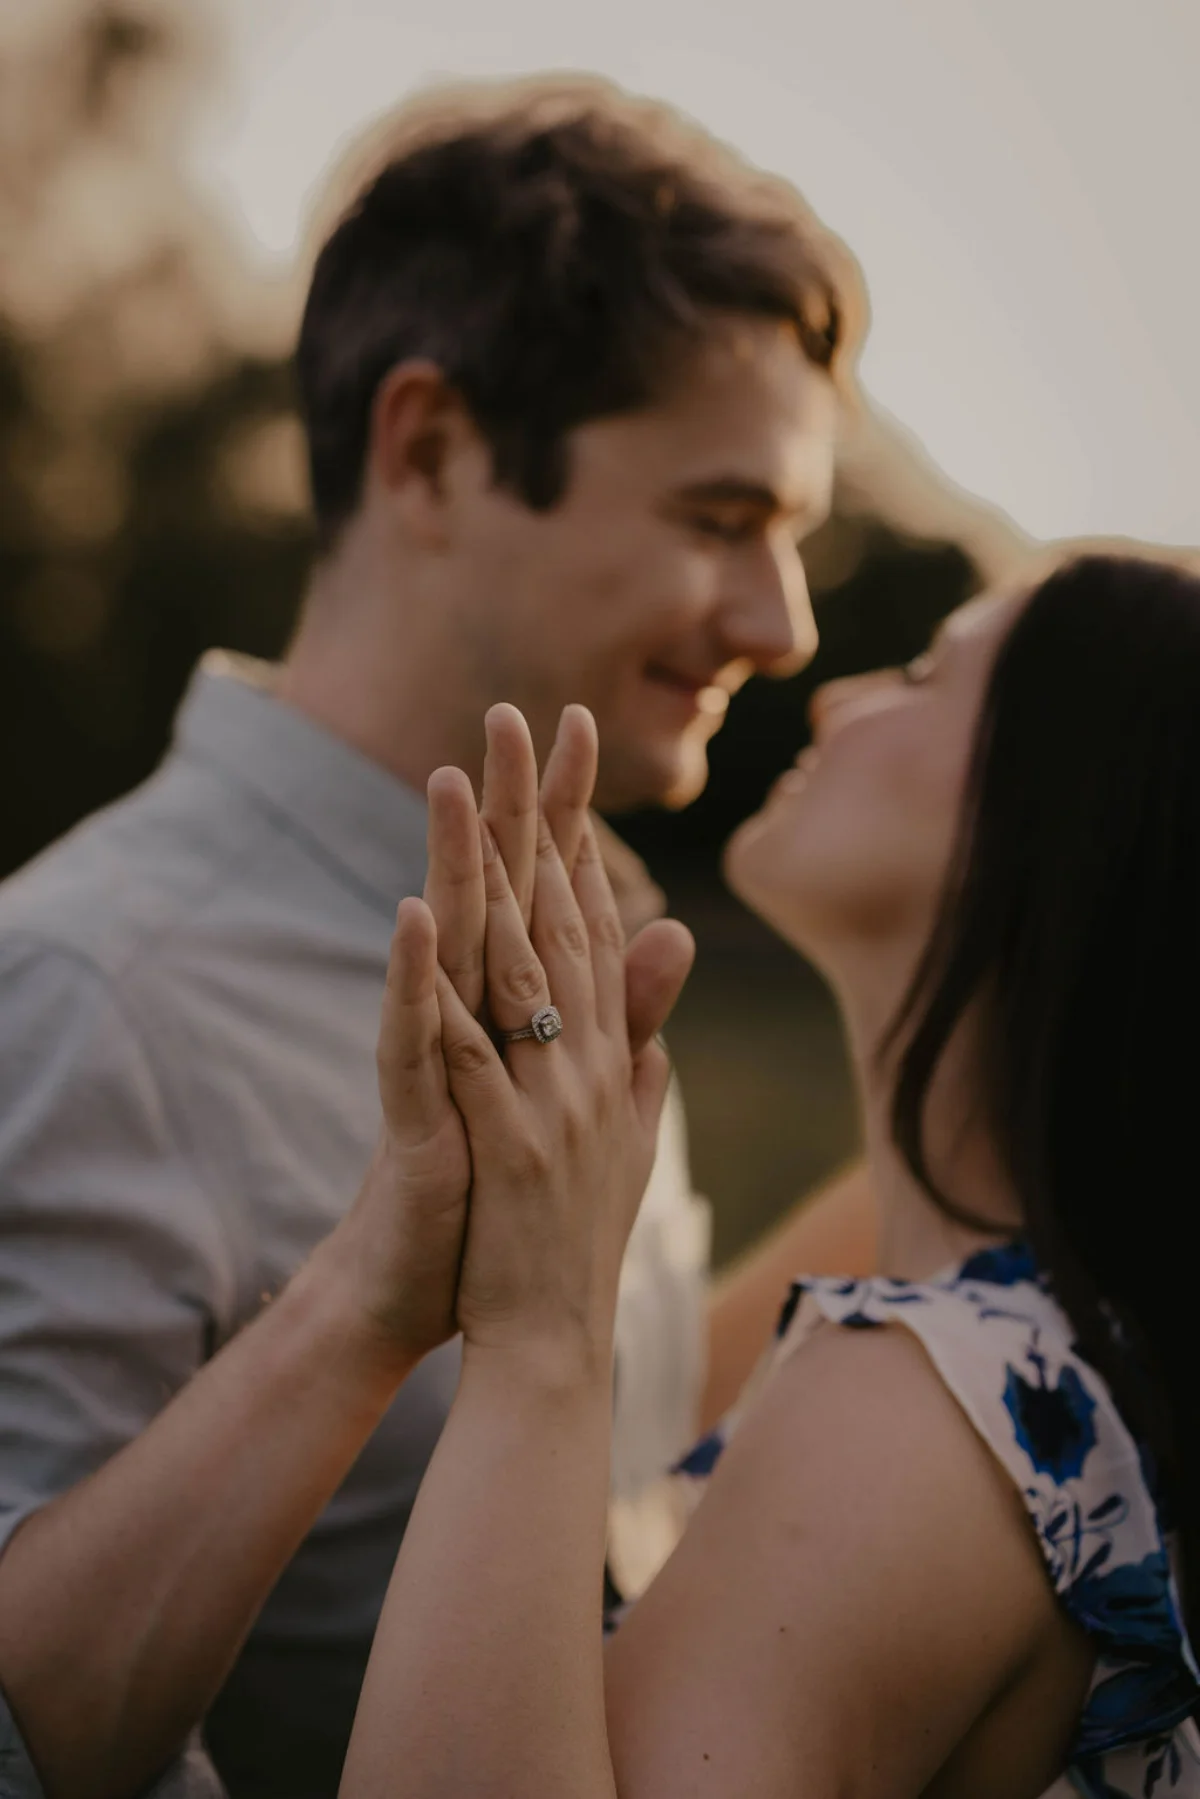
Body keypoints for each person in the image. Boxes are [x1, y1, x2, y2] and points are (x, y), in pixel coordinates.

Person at [0, 75, 872, 1798]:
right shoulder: (93, 987)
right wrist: (360, 1309)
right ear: (433, 450)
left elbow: (617, 1478)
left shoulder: (598, 932)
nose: (785, 624)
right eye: (723, 520)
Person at [326, 549, 1200, 1799]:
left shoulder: (927, 1397)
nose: (840, 694)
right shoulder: (1060, 1341)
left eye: (924, 671)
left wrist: (543, 1325)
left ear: (1070, 802)